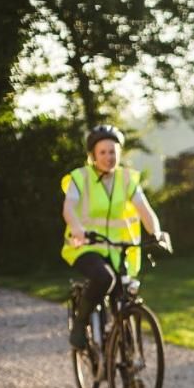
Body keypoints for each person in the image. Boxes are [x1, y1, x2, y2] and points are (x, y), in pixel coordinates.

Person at [62, 124, 170, 349]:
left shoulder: (127, 179)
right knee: (104, 279)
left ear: (119, 153)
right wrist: (77, 228)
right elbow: (69, 208)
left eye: (113, 151)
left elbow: (144, 209)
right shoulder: (80, 178)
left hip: (118, 248)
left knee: (123, 294)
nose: (109, 157)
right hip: (86, 245)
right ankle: (81, 325)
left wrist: (157, 233)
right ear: (93, 155)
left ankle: (124, 354)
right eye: (103, 152)